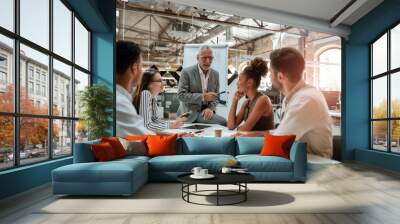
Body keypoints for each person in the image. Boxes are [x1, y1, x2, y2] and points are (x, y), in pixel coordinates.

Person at [236, 47, 333, 158]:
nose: (269, 76)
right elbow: (281, 132)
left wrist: (242, 142)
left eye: (271, 73)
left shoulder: (305, 100)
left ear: (280, 76)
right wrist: (249, 135)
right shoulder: (293, 97)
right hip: (297, 157)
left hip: (313, 165)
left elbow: (277, 143)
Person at [177, 45, 227, 126]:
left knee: (222, 123)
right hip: (190, 113)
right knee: (223, 122)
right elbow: (181, 95)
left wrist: (210, 108)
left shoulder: (215, 74)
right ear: (197, 58)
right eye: (204, 58)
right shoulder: (186, 72)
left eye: (210, 58)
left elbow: (216, 97)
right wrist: (203, 97)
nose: (208, 61)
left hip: (206, 112)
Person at [116, 40, 154, 137]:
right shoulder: (119, 102)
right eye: (142, 66)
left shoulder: (121, 98)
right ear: (134, 68)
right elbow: (142, 140)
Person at [227, 57, 274, 131]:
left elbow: (244, 130)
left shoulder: (263, 100)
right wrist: (235, 101)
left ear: (249, 82)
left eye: (240, 79)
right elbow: (231, 126)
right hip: (251, 141)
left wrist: (239, 129)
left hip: (263, 142)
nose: (237, 83)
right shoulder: (247, 103)